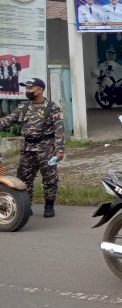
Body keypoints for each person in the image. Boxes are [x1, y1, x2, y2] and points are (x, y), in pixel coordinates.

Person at [0, 78, 64, 217]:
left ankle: (49, 205)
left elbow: (59, 130)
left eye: (30, 89)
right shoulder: (23, 106)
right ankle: (26, 206)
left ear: (40, 90)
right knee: (23, 179)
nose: (27, 91)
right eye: (26, 88)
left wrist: (59, 151)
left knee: (50, 178)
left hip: (46, 148)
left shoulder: (52, 107)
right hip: (28, 148)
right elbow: (8, 120)